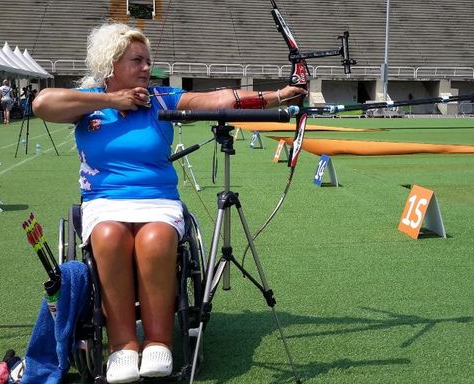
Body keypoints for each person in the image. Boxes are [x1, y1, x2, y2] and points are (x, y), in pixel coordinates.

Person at [32, 23, 304, 384]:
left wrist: (282, 95)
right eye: (137, 60)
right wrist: (113, 100)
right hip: (104, 202)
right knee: (110, 236)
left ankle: (158, 341)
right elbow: (41, 103)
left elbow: (219, 100)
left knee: (156, 239)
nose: (147, 68)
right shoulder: (89, 102)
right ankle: (123, 346)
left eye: (148, 61)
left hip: (157, 201)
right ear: (111, 64)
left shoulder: (161, 98)